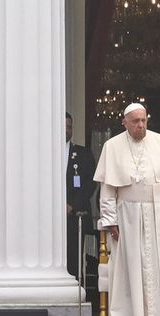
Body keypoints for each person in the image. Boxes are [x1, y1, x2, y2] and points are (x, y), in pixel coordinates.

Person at [94, 103, 160, 316]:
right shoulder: (112, 146)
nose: (141, 125)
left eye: (144, 120)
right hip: (128, 215)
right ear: (124, 122)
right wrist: (110, 220)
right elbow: (108, 190)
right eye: (136, 121)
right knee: (129, 268)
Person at [65, 112, 97, 282]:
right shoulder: (43, 154)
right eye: (62, 127)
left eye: (69, 127)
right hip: (48, 219)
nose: (66, 131)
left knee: (74, 260)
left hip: (74, 216)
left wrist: (72, 205)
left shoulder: (83, 154)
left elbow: (90, 183)